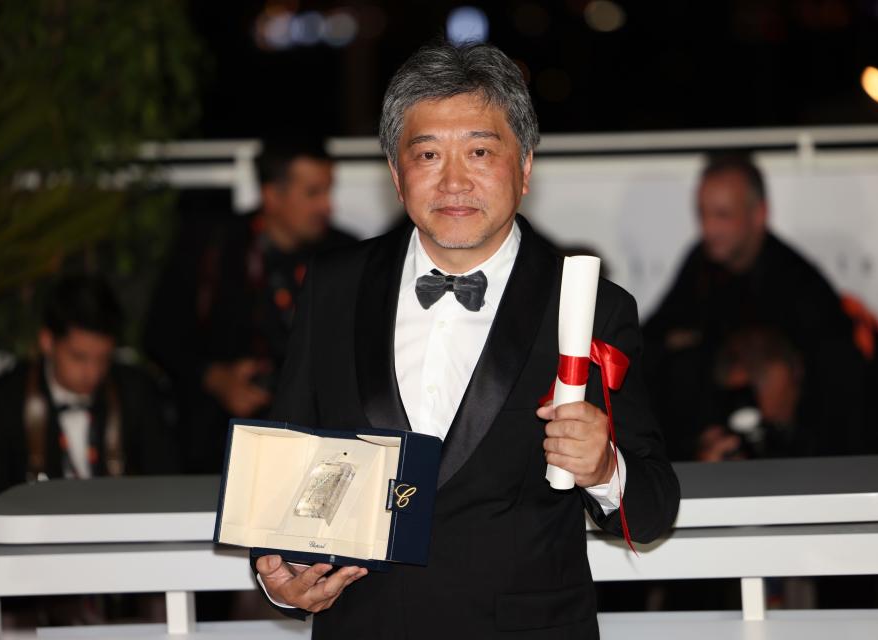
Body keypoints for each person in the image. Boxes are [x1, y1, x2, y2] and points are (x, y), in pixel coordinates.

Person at [251, 41, 679, 638]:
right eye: (428, 155)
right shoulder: (333, 287)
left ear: (525, 166)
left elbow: (654, 506)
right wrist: (281, 574)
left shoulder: (590, 307)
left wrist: (605, 466)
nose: (454, 181)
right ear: (398, 176)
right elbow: (289, 460)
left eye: (480, 150)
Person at [144, 137, 357, 473]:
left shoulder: (346, 254)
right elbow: (159, 334)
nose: (326, 206)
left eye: (328, 191)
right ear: (272, 196)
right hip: (217, 450)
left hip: (319, 447)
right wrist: (215, 377)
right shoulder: (211, 248)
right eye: (313, 193)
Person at [643, 154, 868, 461]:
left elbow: (841, 389)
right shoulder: (700, 265)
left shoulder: (801, 286)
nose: (709, 228)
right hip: (707, 450)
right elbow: (650, 344)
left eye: (722, 215)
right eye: (702, 214)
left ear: (758, 214)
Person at [0, 274, 180, 499]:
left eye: (103, 359)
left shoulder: (135, 391)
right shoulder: (6, 400)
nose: (93, 372)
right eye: (79, 357)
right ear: (47, 341)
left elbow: (168, 483)